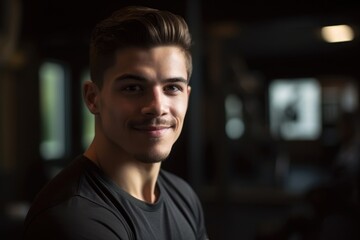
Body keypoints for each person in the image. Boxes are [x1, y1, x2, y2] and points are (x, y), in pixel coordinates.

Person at [23, 5, 209, 240]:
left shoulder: (184, 197)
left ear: (187, 96)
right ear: (93, 98)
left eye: (172, 88)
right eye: (132, 88)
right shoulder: (76, 220)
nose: (158, 106)